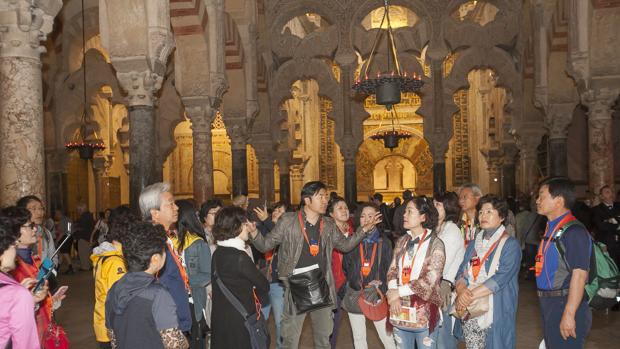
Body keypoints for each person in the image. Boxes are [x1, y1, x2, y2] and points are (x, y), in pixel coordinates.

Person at [249, 181, 381, 349]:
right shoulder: (289, 220)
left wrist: (364, 229)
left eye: (326, 196)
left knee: (323, 338)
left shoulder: (328, 224)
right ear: (307, 200)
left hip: (321, 283)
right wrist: (254, 233)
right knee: (291, 339)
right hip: (297, 283)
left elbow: (346, 245)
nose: (325, 200)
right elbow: (265, 245)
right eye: (320, 196)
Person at [105, 221, 189, 349]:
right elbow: (174, 345)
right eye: (164, 250)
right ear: (155, 259)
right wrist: (185, 341)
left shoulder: (114, 288)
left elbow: (113, 338)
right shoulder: (159, 295)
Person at [453, 195, 522, 349]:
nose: (483, 216)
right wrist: (461, 289)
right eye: (481, 212)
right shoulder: (473, 244)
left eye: (489, 212)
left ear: (502, 216)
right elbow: (461, 271)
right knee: (473, 345)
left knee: (496, 344)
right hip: (471, 307)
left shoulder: (510, 245)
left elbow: (501, 278)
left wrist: (467, 296)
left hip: (496, 306)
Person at [535, 177, 592, 349]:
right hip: (550, 305)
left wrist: (569, 314)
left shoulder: (574, 231)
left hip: (565, 303)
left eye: (542, 196)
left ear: (558, 201)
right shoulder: (552, 227)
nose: (537, 200)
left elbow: (580, 275)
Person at [386, 197, 445, 349]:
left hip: (423, 312)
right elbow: (392, 270)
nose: (404, 215)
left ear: (423, 217)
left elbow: (430, 280)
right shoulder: (402, 241)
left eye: (410, 211)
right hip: (400, 309)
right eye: (405, 211)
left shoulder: (435, 244)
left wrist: (398, 292)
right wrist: (393, 296)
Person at [3, 206, 66, 346]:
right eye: (30, 226)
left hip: (40, 332)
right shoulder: (12, 271)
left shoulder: (33, 258)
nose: (35, 229)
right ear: (13, 232)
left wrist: (49, 300)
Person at [210, 206, 270, 349]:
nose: (248, 227)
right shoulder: (240, 257)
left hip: (220, 318)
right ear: (236, 227)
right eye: (244, 224)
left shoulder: (218, 253)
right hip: (240, 320)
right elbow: (264, 286)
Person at [139, 182, 192, 334]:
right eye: (170, 204)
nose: (176, 207)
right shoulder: (150, 244)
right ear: (155, 212)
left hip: (175, 319)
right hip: (166, 325)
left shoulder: (163, 237)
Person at [342, 202, 395, 349]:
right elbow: (346, 266)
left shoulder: (384, 242)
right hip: (356, 293)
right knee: (359, 339)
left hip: (376, 295)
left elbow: (389, 268)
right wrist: (354, 281)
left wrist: (382, 287)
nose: (367, 220)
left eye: (371, 216)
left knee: (387, 338)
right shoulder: (352, 241)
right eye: (363, 216)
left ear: (378, 219)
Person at [91, 205, 136, 349]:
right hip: (113, 329)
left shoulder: (108, 255)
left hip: (105, 325)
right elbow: (120, 301)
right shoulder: (115, 262)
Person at [0, 215, 48, 349]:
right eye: (12, 244)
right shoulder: (17, 294)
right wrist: (22, 298)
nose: (14, 248)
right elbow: (25, 344)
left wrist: (29, 301)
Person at [174, 200, 212, 349]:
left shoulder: (198, 244)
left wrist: (186, 280)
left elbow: (208, 274)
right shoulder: (171, 241)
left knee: (195, 342)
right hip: (176, 301)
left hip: (192, 301)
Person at [254, 201, 290, 349]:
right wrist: (262, 223)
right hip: (261, 281)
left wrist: (267, 221)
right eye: (275, 210)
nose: (275, 212)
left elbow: (281, 239)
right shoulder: (265, 228)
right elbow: (258, 243)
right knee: (259, 319)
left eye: (280, 211)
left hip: (278, 283)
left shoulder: (289, 231)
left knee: (280, 322)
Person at [433, 192, 465, 349]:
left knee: (444, 339)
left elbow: (441, 265)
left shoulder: (451, 230)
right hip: (433, 286)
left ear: (448, 208)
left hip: (444, 289)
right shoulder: (437, 229)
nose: (433, 208)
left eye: (438, 205)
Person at [327, 196, 353, 349]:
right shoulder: (326, 232)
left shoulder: (352, 231)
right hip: (332, 283)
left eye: (346, 208)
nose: (344, 210)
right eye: (340, 208)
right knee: (331, 324)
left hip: (348, 283)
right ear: (331, 214)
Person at [17, 196, 57, 266]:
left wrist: (48, 272)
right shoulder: (15, 233)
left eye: (41, 209)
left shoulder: (46, 233)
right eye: (34, 209)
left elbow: (53, 257)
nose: (39, 212)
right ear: (22, 211)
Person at [591, 185, 620, 266]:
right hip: (607, 245)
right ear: (601, 197)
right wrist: (617, 226)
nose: (611, 194)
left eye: (612, 192)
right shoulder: (596, 210)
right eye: (607, 192)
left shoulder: (618, 206)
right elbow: (601, 226)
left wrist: (611, 221)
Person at [75, 203, 95, 271]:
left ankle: (85, 267)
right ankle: (89, 266)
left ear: (81, 209)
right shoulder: (89, 215)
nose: (78, 211)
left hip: (84, 237)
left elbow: (81, 227)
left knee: (83, 253)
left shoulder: (84, 217)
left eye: (78, 209)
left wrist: (76, 227)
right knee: (88, 253)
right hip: (88, 238)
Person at [54, 209, 74, 274]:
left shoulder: (62, 221)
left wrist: (57, 241)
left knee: (65, 253)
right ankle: (57, 268)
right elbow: (69, 230)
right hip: (69, 237)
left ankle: (70, 268)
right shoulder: (68, 219)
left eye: (57, 214)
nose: (56, 216)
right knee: (62, 253)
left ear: (60, 214)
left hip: (65, 238)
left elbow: (62, 232)